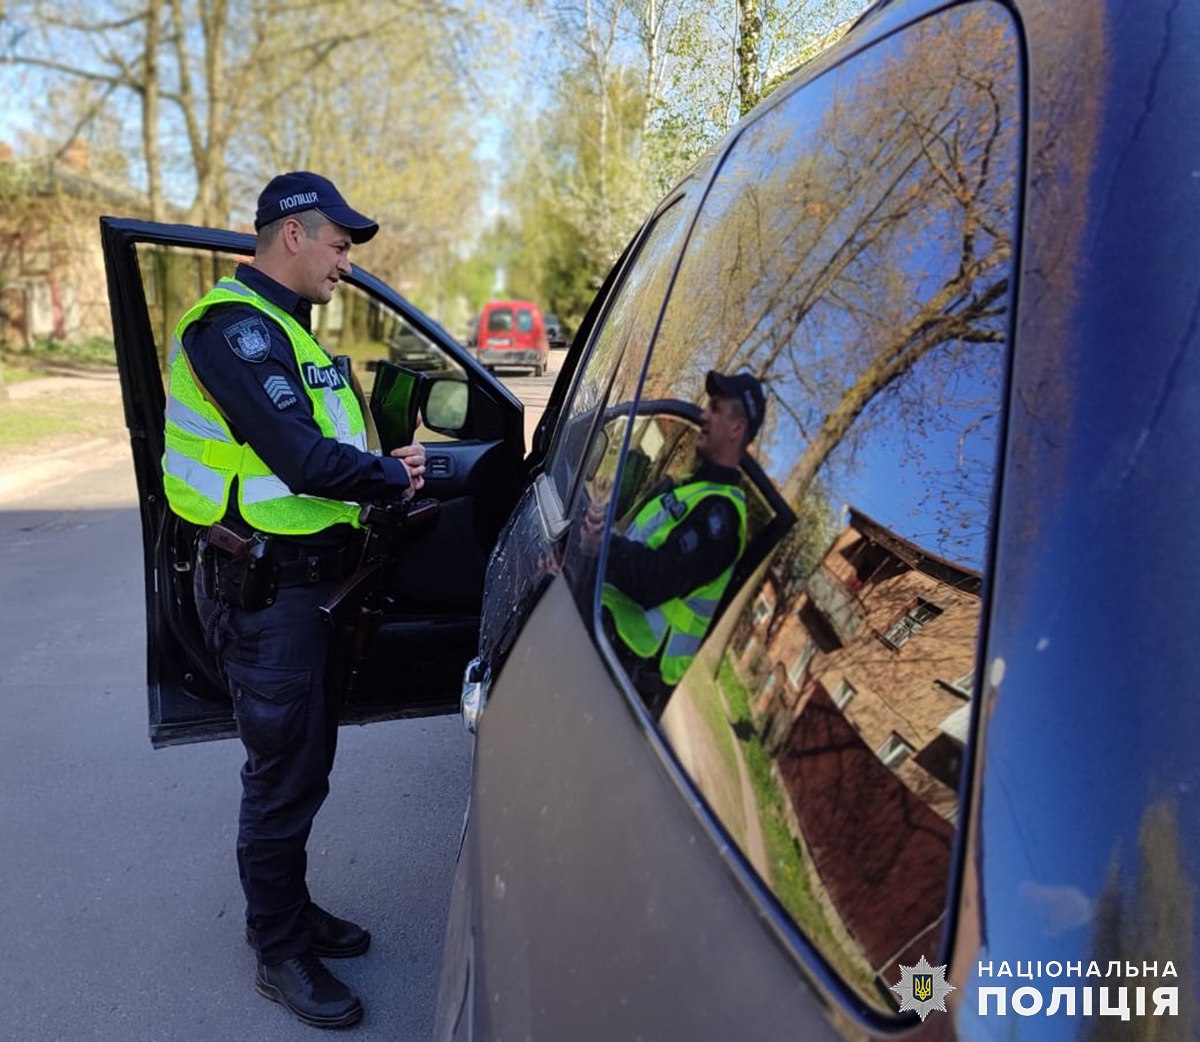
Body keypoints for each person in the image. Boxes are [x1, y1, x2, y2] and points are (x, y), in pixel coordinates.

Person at [164, 171, 425, 1029]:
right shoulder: (234, 332)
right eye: (340, 247)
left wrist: (384, 467)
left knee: (302, 768)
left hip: (303, 588)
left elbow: (326, 444)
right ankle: (277, 948)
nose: (345, 263)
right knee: (280, 778)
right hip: (263, 591)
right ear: (292, 236)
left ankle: (293, 909)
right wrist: (391, 476)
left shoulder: (288, 334)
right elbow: (304, 461)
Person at [585, 370, 766, 719]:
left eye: (715, 408)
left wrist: (599, 545)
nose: (703, 414)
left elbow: (653, 580)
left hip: (628, 670)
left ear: (736, 429)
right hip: (607, 644)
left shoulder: (722, 517)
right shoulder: (692, 489)